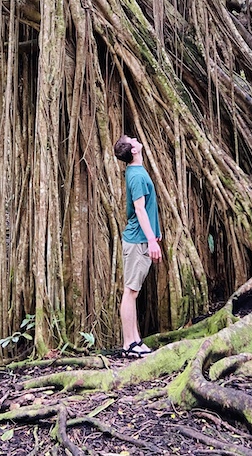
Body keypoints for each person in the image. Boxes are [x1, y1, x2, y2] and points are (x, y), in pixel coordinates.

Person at [114, 134, 162, 358]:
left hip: (140, 239)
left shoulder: (136, 172)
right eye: (132, 140)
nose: (135, 138)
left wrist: (155, 233)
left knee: (133, 291)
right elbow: (140, 209)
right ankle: (129, 344)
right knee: (130, 292)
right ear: (133, 150)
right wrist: (151, 240)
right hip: (137, 241)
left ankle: (135, 341)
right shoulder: (136, 176)